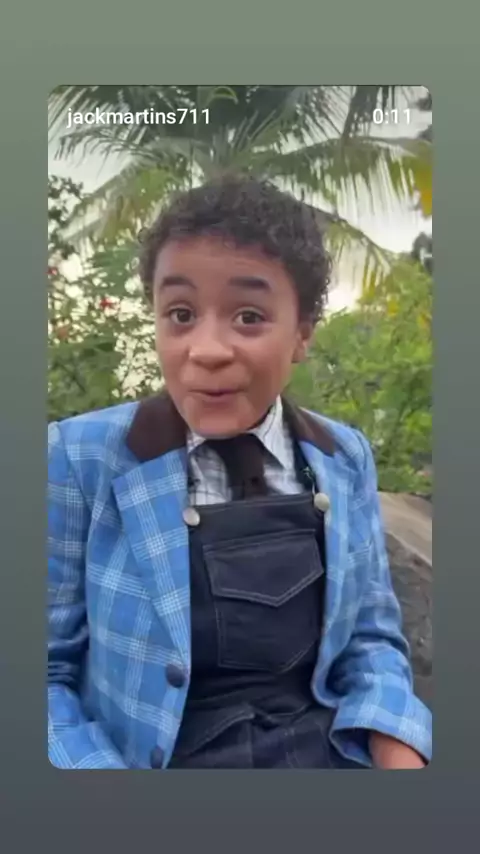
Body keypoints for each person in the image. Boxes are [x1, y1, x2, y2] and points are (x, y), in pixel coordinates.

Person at [48, 175, 432, 770]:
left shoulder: (342, 457)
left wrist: (399, 751)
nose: (206, 350)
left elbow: (369, 639)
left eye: (249, 317)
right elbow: (44, 672)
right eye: (180, 314)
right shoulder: (81, 457)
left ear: (302, 334)